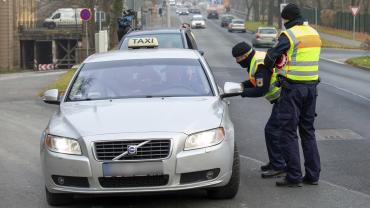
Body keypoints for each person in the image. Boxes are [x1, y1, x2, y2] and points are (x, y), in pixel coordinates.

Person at [264, 3, 321, 187]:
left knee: (288, 132)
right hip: (312, 88)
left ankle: (294, 176)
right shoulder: (314, 33)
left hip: (293, 89)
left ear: (287, 18)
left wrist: (270, 67)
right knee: (308, 131)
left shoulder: (289, 34)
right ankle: (313, 175)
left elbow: (271, 57)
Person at [232, 42, 286, 178]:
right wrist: (240, 85)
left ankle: (279, 166)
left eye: (239, 59)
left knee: (272, 131)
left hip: (285, 98)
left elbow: (261, 89)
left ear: (246, 55)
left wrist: (241, 92)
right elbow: (255, 81)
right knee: (275, 131)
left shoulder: (260, 64)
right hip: (282, 98)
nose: (238, 62)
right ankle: (276, 162)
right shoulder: (256, 59)